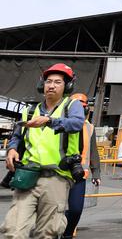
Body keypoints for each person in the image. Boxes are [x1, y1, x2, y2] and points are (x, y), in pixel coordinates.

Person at [0, 63, 85, 239]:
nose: (51, 85)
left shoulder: (72, 106)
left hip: (56, 177)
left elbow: (77, 123)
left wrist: (49, 121)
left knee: (48, 232)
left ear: (67, 86)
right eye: (48, 81)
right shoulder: (30, 111)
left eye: (58, 82)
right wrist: (12, 149)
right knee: (13, 230)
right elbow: (17, 135)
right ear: (42, 85)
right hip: (28, 176)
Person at [61, 93, 101, 239]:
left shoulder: (89, 128)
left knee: (76, 210)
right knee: (54, 209)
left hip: (79, 175)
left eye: (82, 108)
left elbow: (93, 153)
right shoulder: (61, 123)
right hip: (59, 173)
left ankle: (67, 233)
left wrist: (96, 174)